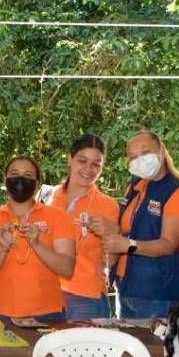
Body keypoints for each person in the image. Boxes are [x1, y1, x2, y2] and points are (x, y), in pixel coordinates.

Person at [103, 130, 179, 319]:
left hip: (157, 293)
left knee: (153, 348)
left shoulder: (176, 192)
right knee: (131, 347)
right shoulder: (135, 187)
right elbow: (128, 229)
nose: (139, 160)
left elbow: (168, 244)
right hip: (127, 286)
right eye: (133, 157)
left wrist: (129, 245)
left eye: (145, 153)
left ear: (161, 150)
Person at [0, 156, 76, 322]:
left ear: (36, 184)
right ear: (5, 180)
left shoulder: (58, 217)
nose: (20, 180)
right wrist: (2, 248)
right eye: (14, 174)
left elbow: (67, 269)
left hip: (48, 313)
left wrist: (36, 243)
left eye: (28, 176)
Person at [43, 134, 121, 320]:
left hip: (85, 297)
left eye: (96, 164)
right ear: (70, 160)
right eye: (82, 160)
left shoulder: (108, 206)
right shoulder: (47, 198)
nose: (89, 169)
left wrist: (113, 234)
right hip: (45, 294)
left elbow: (109, 262)